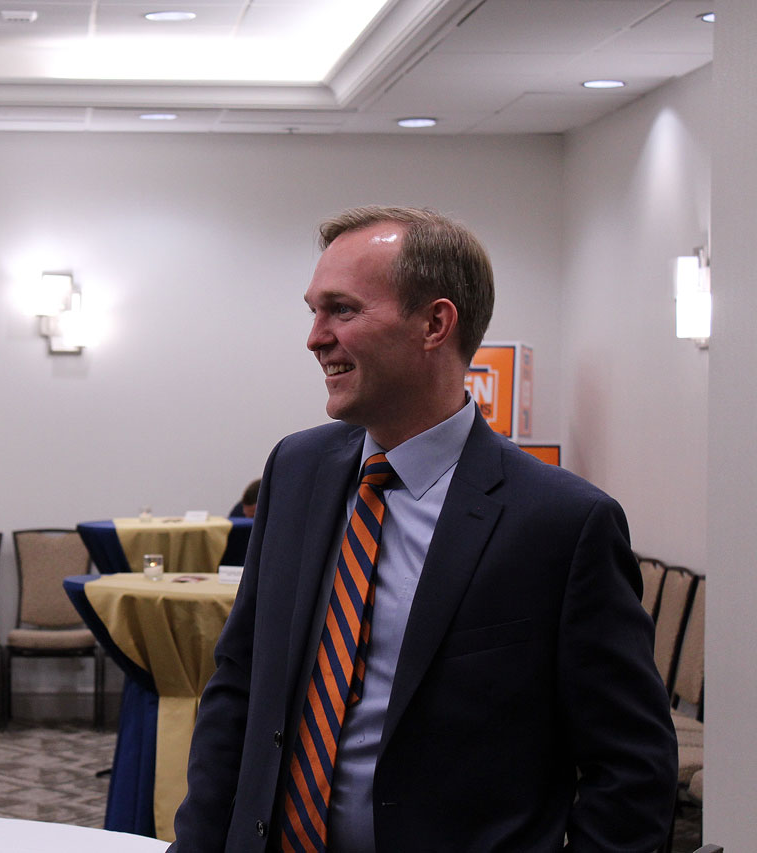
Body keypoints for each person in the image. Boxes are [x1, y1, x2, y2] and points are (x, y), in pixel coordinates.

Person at [170, 206, 676, 852]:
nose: (314, 337)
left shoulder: (561, 525)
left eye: (342, 310)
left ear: (435, 323)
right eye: (313, 311)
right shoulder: (294, 472)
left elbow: (633, 769)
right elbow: (239, 687)